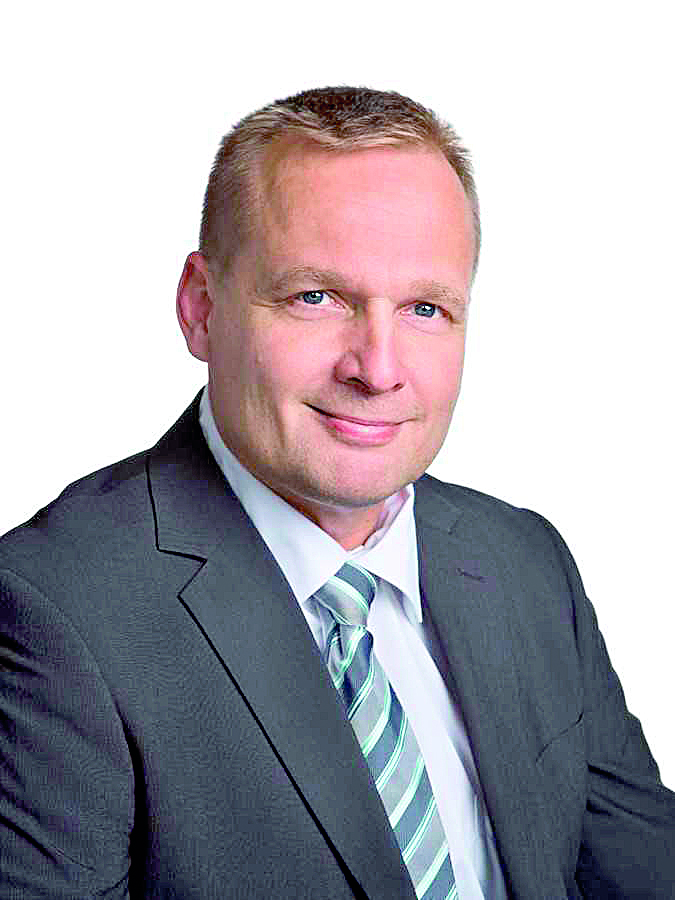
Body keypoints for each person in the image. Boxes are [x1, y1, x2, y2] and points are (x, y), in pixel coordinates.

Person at [0, 86, 673, 900]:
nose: (377, 369)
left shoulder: (524, 561)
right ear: (201, 308)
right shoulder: (53, 608)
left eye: (424, 308)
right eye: (315, 298)